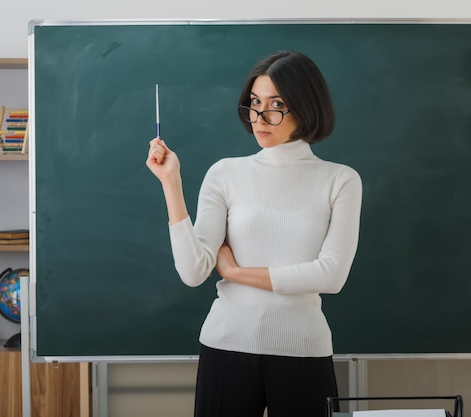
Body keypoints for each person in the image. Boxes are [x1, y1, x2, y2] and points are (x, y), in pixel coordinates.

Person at [146, 50, 362, 417]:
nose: (260, 118)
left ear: (306, 107)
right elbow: (194, 270)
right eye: (254, 104)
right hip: (226, 346)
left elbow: (332, 274)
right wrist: (171, 184)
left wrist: (235, 273)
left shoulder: (340, 180)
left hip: (304, 350)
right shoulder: (225, 173)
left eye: (276, 105)